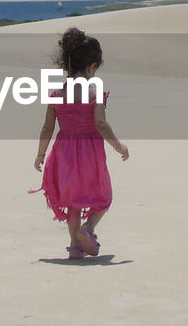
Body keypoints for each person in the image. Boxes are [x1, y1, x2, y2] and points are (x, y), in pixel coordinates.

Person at [31, 27, 130, 259]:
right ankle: (89, 229)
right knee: (103, 197)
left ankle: (75, 248)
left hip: (63, 153)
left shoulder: (55, 94)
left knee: (74, 204)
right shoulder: (95, 91)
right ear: (92, 66)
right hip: (90, 153)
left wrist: (40, 154)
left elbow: (47, 128)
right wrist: (119, 146)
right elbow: (101, 124)